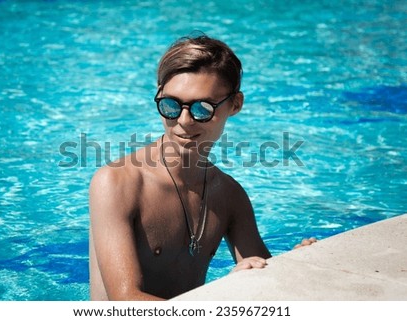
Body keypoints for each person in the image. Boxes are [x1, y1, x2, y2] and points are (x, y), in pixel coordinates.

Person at [89, 34, 314, 301]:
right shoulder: (117, 183)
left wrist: (298, 264)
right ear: (159, 95)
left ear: (235, 105)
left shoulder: (230, 196)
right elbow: (125, 301)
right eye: (171, 105)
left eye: (202, 108)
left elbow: (268, 282)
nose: (184, 121)